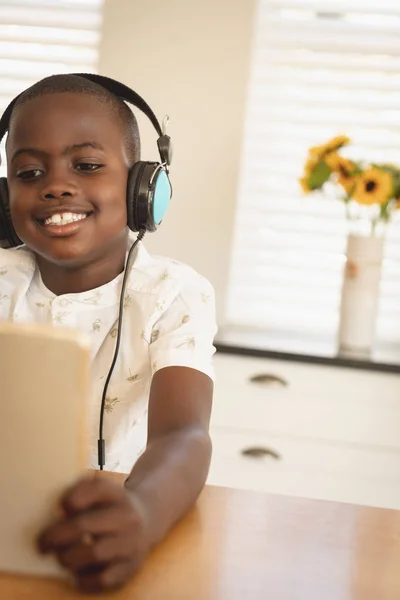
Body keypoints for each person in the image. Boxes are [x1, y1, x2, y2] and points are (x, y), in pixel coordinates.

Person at [0, 74, 216, 592]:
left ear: (145, 187)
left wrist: (142, 512)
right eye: (29, 171)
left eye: (87, 165)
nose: (55, 185)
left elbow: (183, 434)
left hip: (114, 529)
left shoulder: (172, 293)